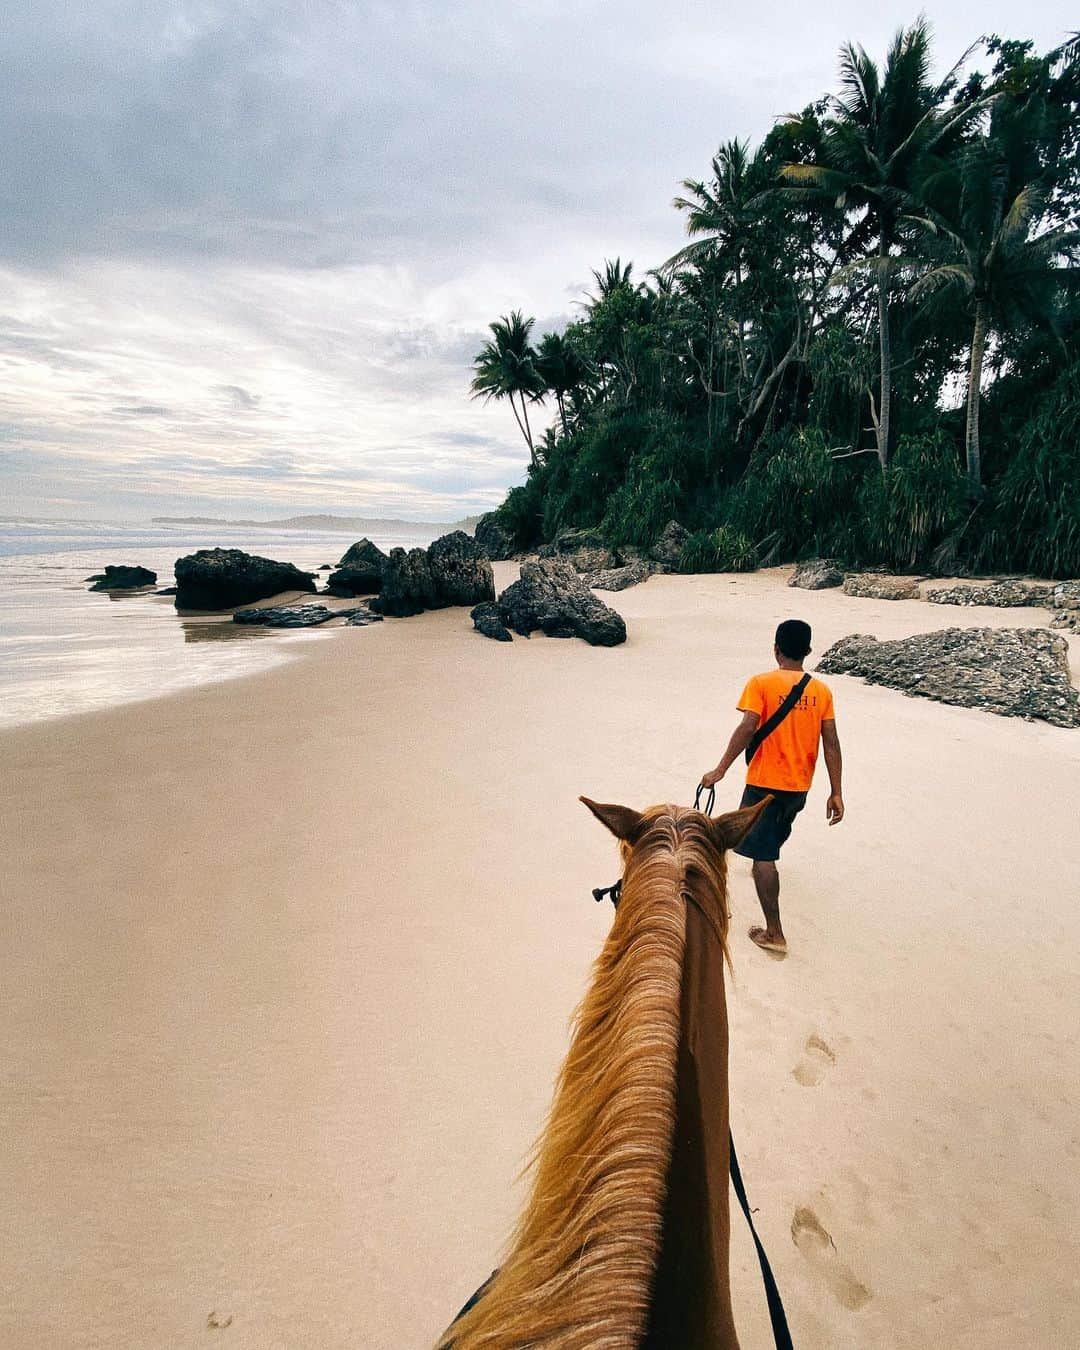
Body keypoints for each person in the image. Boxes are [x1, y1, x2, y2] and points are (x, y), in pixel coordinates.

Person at [700, 619, 843, 953]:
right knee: (773, 835)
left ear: (776, 648)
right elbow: (832, 742)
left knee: (761, 854)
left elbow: (748, 727)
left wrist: (720, 769)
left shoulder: (761, 683)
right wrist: (836, 791)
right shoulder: (821, 691)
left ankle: (774, 933)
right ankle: (761, 861)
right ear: (808, 651)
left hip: (764, 784)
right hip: (799, 787)